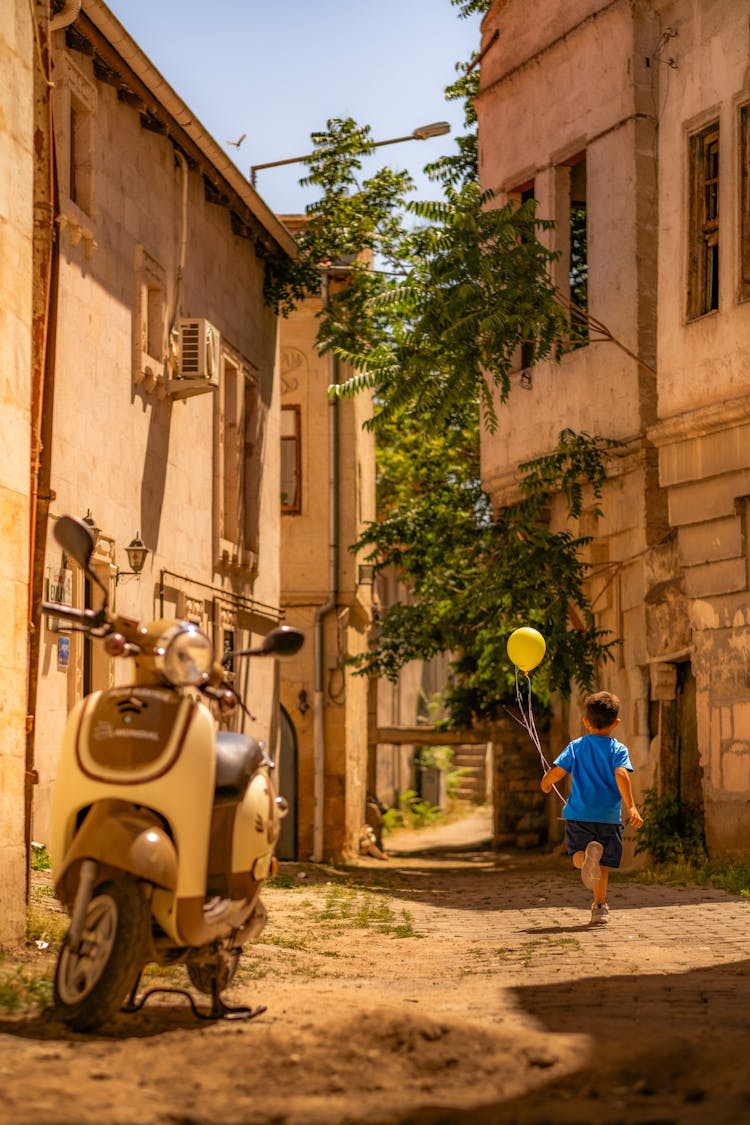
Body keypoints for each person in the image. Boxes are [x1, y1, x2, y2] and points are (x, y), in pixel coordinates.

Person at [540, 690, 643, 925]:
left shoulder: (576, 746)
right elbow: (621, 774)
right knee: (602, 865)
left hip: (580, 815)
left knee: (578, 856)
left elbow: (558, 771)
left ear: (586, 721)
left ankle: (585, 859)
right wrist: (632, 807)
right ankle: (599, 907)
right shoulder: (619, 750)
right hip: (608, 818)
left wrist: (546, 782)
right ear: (616, 723)